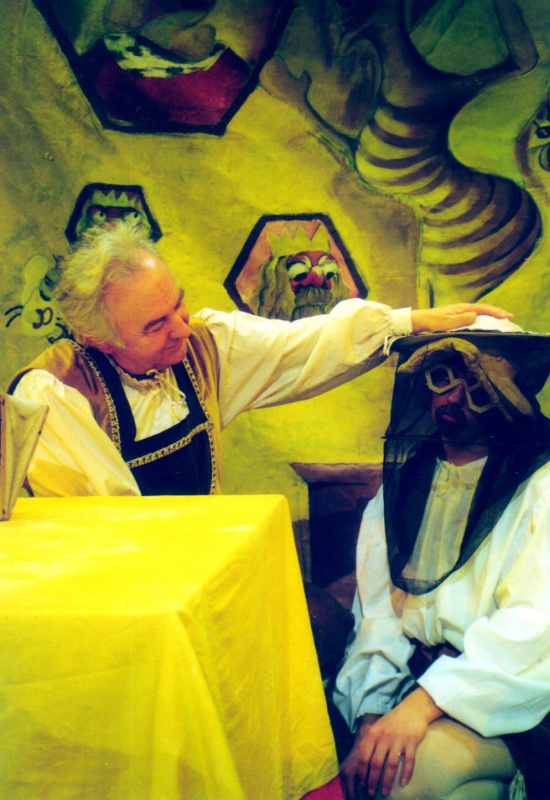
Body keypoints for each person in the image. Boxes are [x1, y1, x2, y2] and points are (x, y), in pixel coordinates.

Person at [7, 218, 511, 498]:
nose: (180, 328)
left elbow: (305, 345)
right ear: (99, 340)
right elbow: (107, 522)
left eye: (178, 304)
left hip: (198, 569)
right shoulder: (55, 394)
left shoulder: (203, 347)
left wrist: (408, 322)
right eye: (154, 326)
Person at [333, 317, 550, 800]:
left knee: (401, 781)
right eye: (441, 378)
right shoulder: (403, 490)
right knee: (385, 777)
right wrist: (370, 719)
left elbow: (531, 629)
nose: (451, 398)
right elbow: (379, 618)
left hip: (515, 693)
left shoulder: (541, 487)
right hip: (418, 686)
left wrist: (421, 708)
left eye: (475, 386)